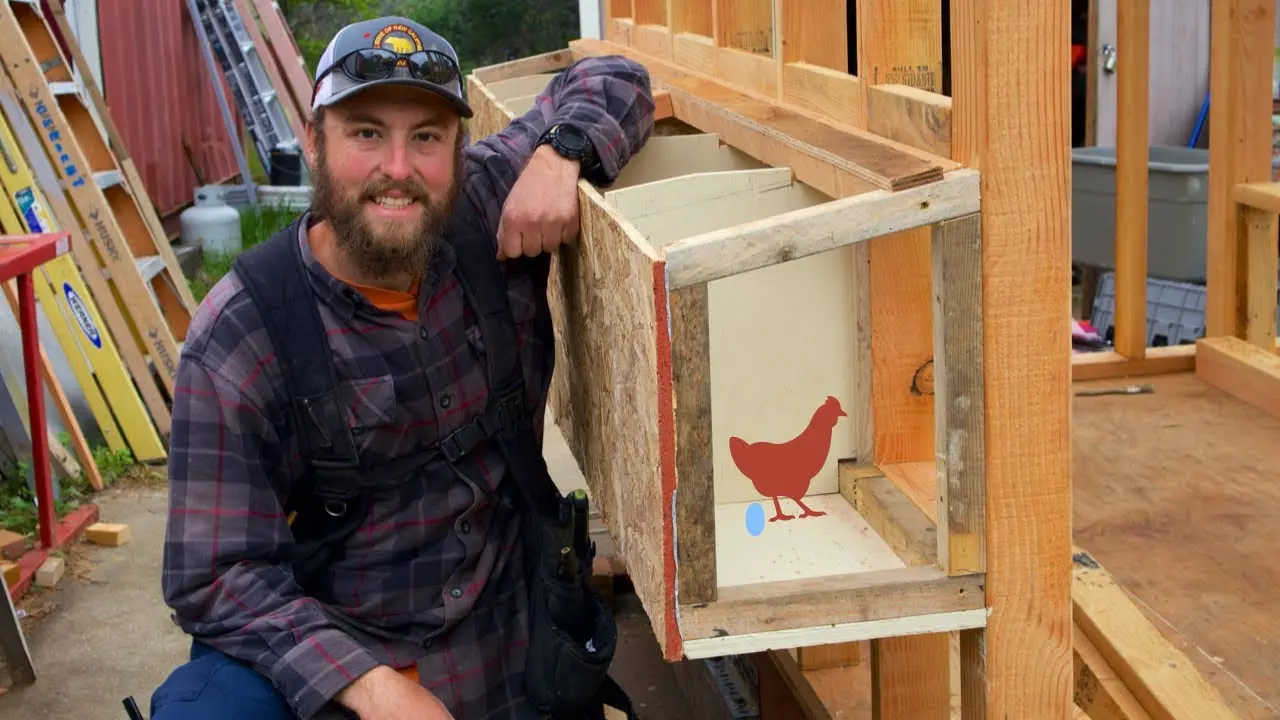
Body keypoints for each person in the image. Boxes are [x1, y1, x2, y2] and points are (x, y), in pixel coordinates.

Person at [146, 16, 654, 720]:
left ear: (458, 148)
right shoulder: (240, 335)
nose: (398, 168)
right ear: (313, 141)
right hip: (339, 663)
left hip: (506, 651)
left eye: (426, 136)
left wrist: (561, 153)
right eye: (365, 133)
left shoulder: (480, 206)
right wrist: (371, 684)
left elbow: (616, 76)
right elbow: (215, 574)